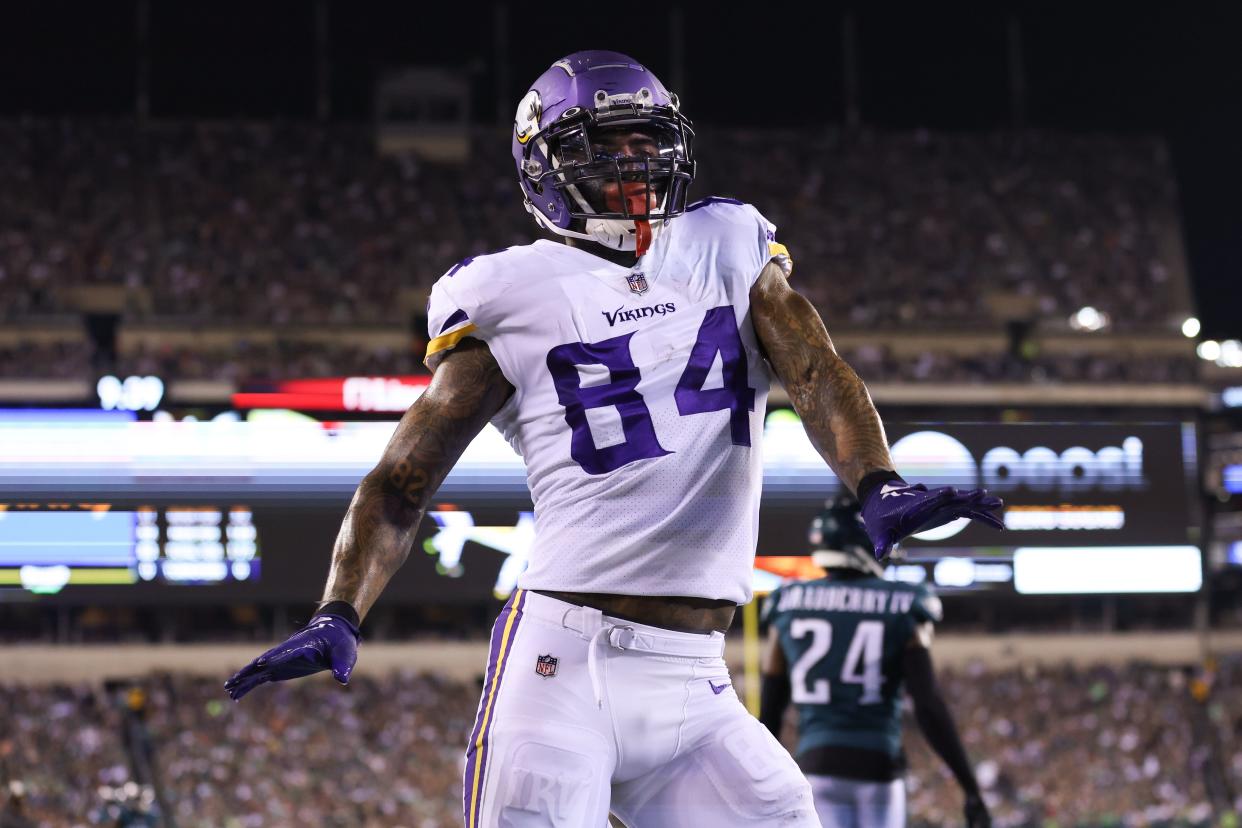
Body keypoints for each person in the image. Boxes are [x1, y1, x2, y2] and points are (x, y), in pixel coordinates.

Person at [225, 50, 1003, 826]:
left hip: (697, 684)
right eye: (609, 143)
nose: (636, 161)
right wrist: (340, 608)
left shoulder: (728, 244)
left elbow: (814, 370)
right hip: (563, 666)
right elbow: (403, 480)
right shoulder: (505, 294)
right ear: (544, 165)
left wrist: (876, 479)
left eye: (646, 140)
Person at [760, 496, 991, 828]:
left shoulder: (787, 602)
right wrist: (970, 788)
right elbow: (928, 706)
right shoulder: (903, 601)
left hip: (816, 765)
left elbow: (770, 712)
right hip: (878, 765)